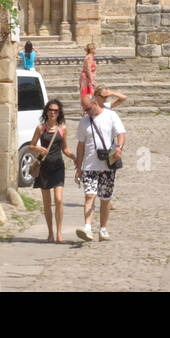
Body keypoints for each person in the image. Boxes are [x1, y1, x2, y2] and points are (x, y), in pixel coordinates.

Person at [74, 88, 126, 242]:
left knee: (105, 198)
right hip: (90, 165)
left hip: (107, 164)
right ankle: (87, 227)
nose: (87, 112)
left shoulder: (111, 116)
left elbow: (121, 134)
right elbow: (80, 146)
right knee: (89, 195)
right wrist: (78, 167)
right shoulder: (84, 121)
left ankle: (102, 229)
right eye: (84, 109)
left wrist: (119, 148)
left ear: (95, 102)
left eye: (89, 108)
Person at [29, 99, 76, 241]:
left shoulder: (62, 129)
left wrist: (75, 158)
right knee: (47, 203)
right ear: (46, 111)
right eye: (50, 110)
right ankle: (50, 232)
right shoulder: (40, 128)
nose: (53, 112)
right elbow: (31, 146)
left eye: (56, 110)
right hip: (43, 168)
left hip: (58, 167)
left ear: (59, 112)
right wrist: (38, 148)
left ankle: (59, 232)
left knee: (59, 199)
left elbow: (65, 148)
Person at [79, 43, 97, 111]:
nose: (96, 50)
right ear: (91, 49)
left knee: (88, 94)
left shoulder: (90, 56)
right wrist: (91, 80)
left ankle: (87, 109)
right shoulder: (89, 57)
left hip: (87, 77)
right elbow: (88, 69)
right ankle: (86, 110)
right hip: (87, 78)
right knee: (87, 94)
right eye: (95, 48)